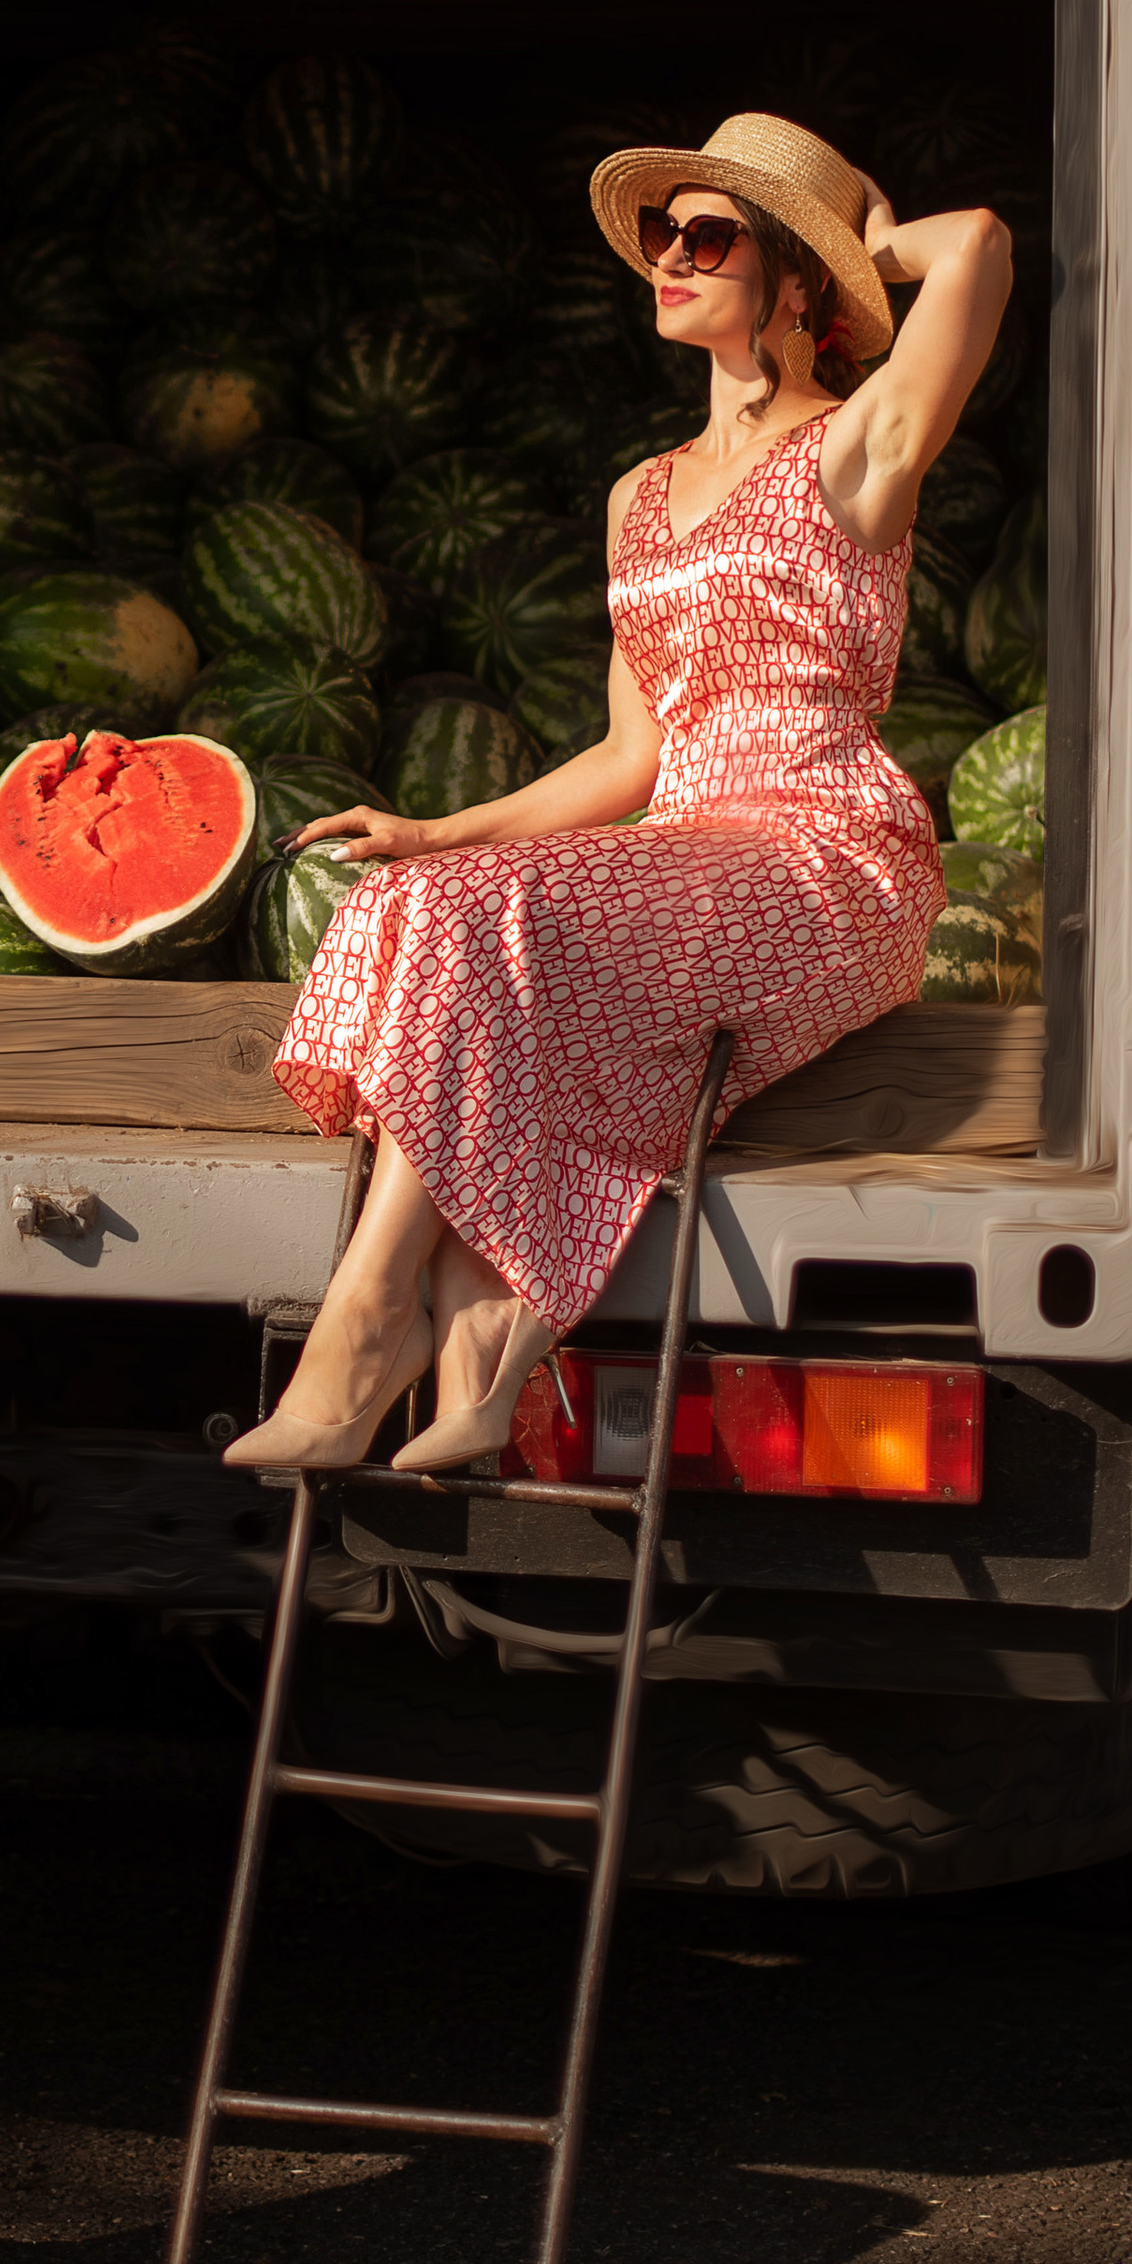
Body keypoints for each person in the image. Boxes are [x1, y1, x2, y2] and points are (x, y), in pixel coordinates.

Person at [224, 109, 1011, 1479]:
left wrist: (877, 244)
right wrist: (433, 830)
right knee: (434, 900)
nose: (672, 253)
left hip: (826, 853)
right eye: (664, 231)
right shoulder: (636, 497)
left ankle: (363, 1331)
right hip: (682, 850)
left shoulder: (856, 449)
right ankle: (477, 1349)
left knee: (493, 924)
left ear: (796, 286)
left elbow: (986, 249)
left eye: (713, 235)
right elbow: (628, 761)